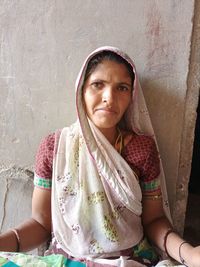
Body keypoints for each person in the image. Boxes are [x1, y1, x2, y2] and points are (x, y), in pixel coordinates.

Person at [0, 46, 200, 267]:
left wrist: (189, 254)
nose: (109, 97)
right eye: (98, 85)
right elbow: (40, 222)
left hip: (129, 260)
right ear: (81, 90)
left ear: (131, 96)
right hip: (69, 261)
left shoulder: (141, 149)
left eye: (121, 88)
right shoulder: (55, 148)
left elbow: (153, 221)